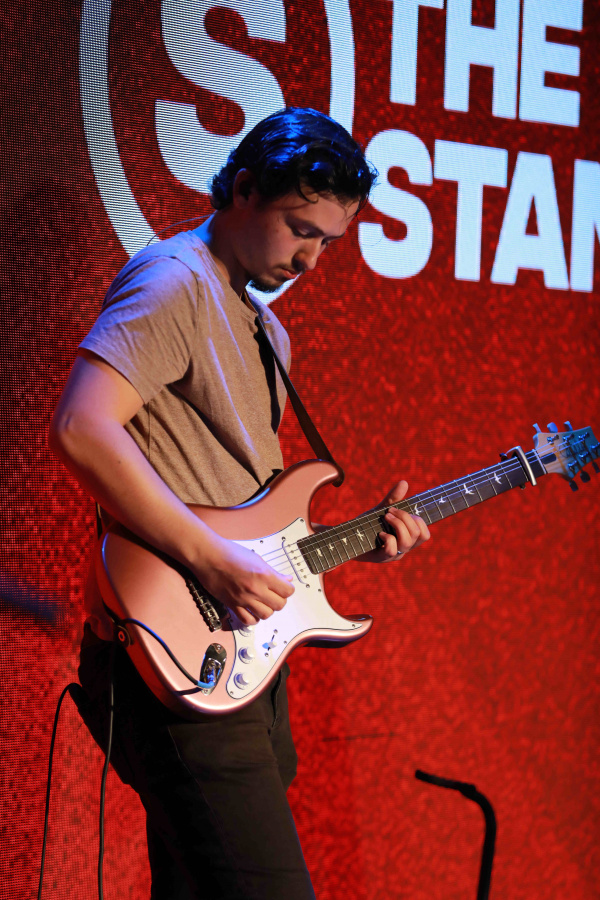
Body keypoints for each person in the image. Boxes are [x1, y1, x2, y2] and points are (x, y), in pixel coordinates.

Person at [49, 107, 430, 899]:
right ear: (244, 189)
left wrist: (361, 540)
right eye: (301, 229)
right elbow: (82, 427)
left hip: (235, 651)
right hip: (170, 640)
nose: (311, 258)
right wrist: (211, 562)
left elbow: (243, 508)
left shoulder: (267, 332)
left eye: (328, 241)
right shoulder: (174, 281)